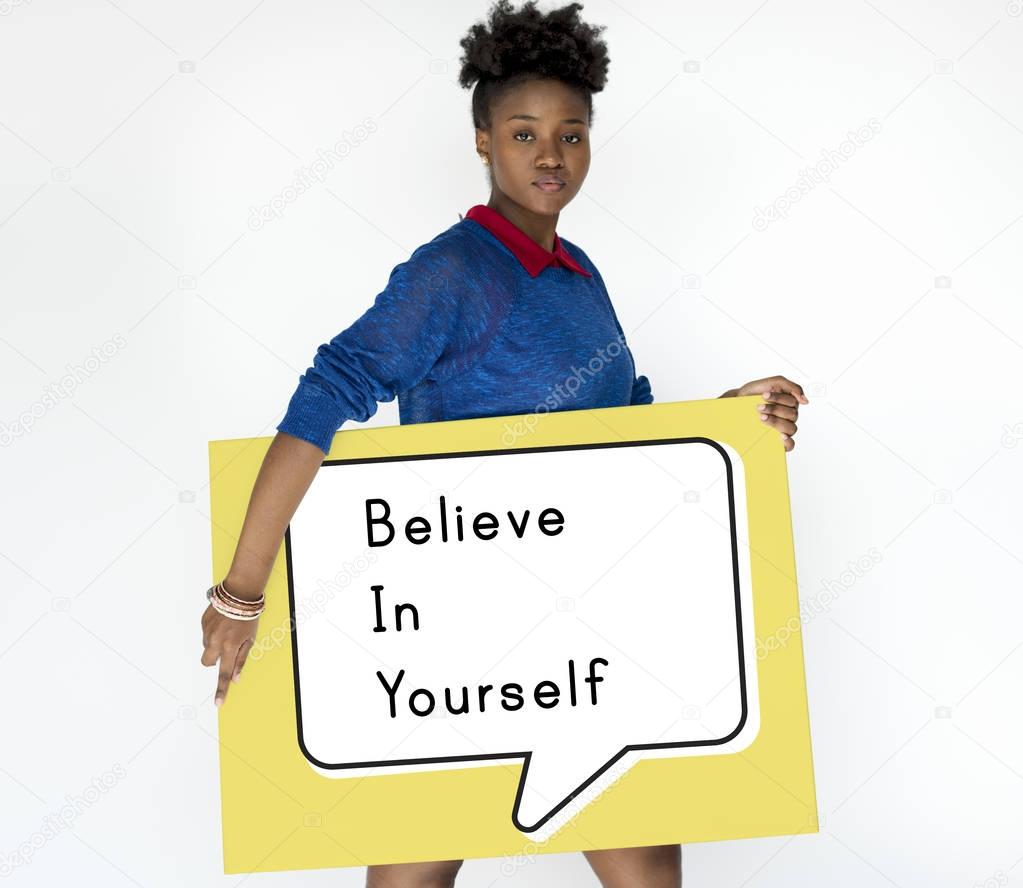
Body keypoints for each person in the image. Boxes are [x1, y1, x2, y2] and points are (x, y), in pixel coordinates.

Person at [200, 2, 808, 885]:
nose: (550, 156)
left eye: (571, 135)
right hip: (452, 637)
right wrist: (243, 590)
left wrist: (730, 423)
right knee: (414, 875)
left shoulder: (579, 273)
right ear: (482, 139)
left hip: (585, 634)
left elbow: (619, 433)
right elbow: (324, 396)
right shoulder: (450, 273)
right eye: (524, 134)